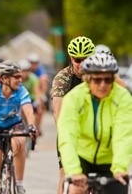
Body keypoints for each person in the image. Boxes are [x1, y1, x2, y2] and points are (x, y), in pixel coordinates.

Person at [57, 52, 132, 194]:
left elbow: (124, 136)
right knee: (75, 190)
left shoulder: (123, 98)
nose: (103, 85)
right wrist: (74, 170)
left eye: (107, 80)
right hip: (82, 156)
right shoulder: (73, 98)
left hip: (110, 159)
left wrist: (120, 167)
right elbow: (67, 135)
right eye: (97, 80)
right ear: (88, 79)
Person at [0, 61, 36, 194]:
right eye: (16, 77)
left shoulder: (21, 90)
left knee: (19, 143)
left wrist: (31, 126)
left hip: (14, 124)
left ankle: (19, 183)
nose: (20, 79)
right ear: (5, 78)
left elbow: (28, 110)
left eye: (20, 76)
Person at [51, 35, 95, 194]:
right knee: (66, 175)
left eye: (85, 59)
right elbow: (58, 110)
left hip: (94, 131)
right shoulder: (63, 78)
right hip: (70, 131)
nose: (81, 64)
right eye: (77, 59)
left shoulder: (99, 76)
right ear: (71, 58)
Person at [27, 52, 48, 135]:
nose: (33, 65)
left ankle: (38, 126)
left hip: (37, 92)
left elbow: (43, 82)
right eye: (32, 63)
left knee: (41, 106)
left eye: (35, 63)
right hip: (27, 93)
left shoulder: (40, 70)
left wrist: (42, 95)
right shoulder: (25, 69)